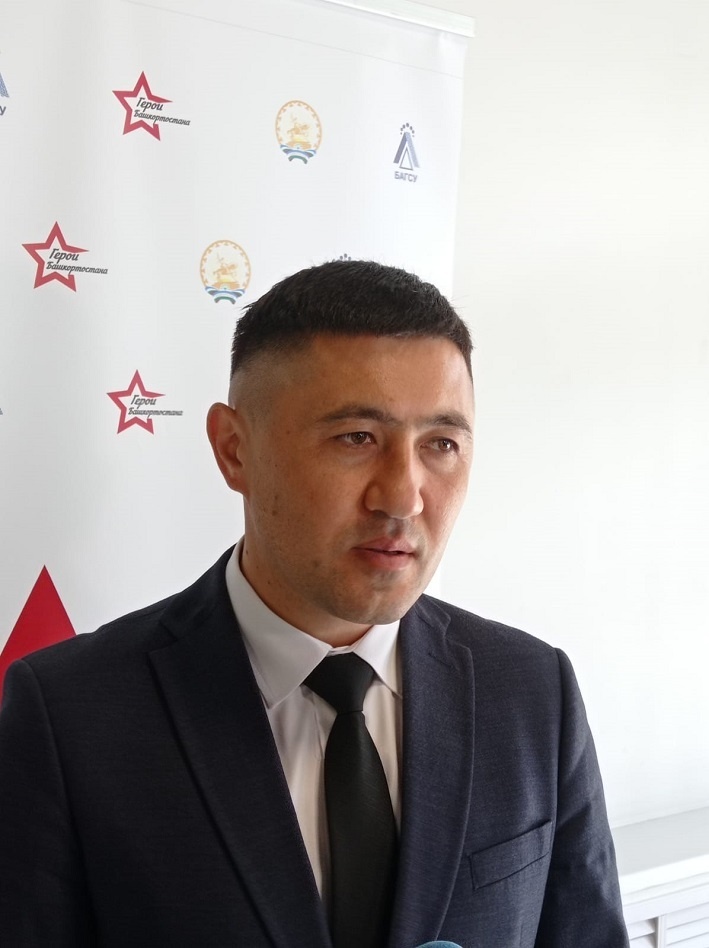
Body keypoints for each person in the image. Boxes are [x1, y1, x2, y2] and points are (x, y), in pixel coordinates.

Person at [0, 260, 629, 947]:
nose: (403, 497)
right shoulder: (69, 715)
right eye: (356, 438)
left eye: (441, 444)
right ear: (234, 449)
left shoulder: (533, 690)